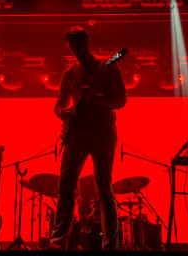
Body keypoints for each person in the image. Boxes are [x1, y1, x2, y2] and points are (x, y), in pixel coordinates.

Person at [49, 26, 127, 250]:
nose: (75, 49)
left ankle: (110, 246)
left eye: (78, 43)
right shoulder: (69, 73)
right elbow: (60, 103)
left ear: (87, 41)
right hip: (76, 134)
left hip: (103, 133)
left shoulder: (108, 66)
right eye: (71, 45)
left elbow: (121, 100)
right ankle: (56, 244)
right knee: (65, 186)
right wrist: (61, 112)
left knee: (104, 188)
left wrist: (95, 98)